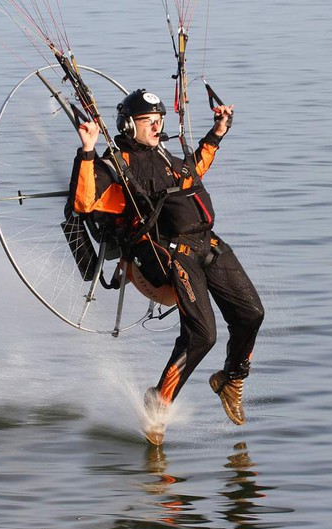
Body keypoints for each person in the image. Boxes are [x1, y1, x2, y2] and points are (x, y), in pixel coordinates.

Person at [70, 88, 264, 444]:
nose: (158, 126)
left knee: (251, 314)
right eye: (149, 121)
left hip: (210, 244)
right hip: (171, 253)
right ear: (130, 125)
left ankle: (231, 379)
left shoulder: (164, 155)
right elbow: (84, 203)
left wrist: (218, 131)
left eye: (160, 120)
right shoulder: (117, 164)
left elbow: (194, 170)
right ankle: (158, 402)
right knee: (203, 335)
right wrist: (87, 149)